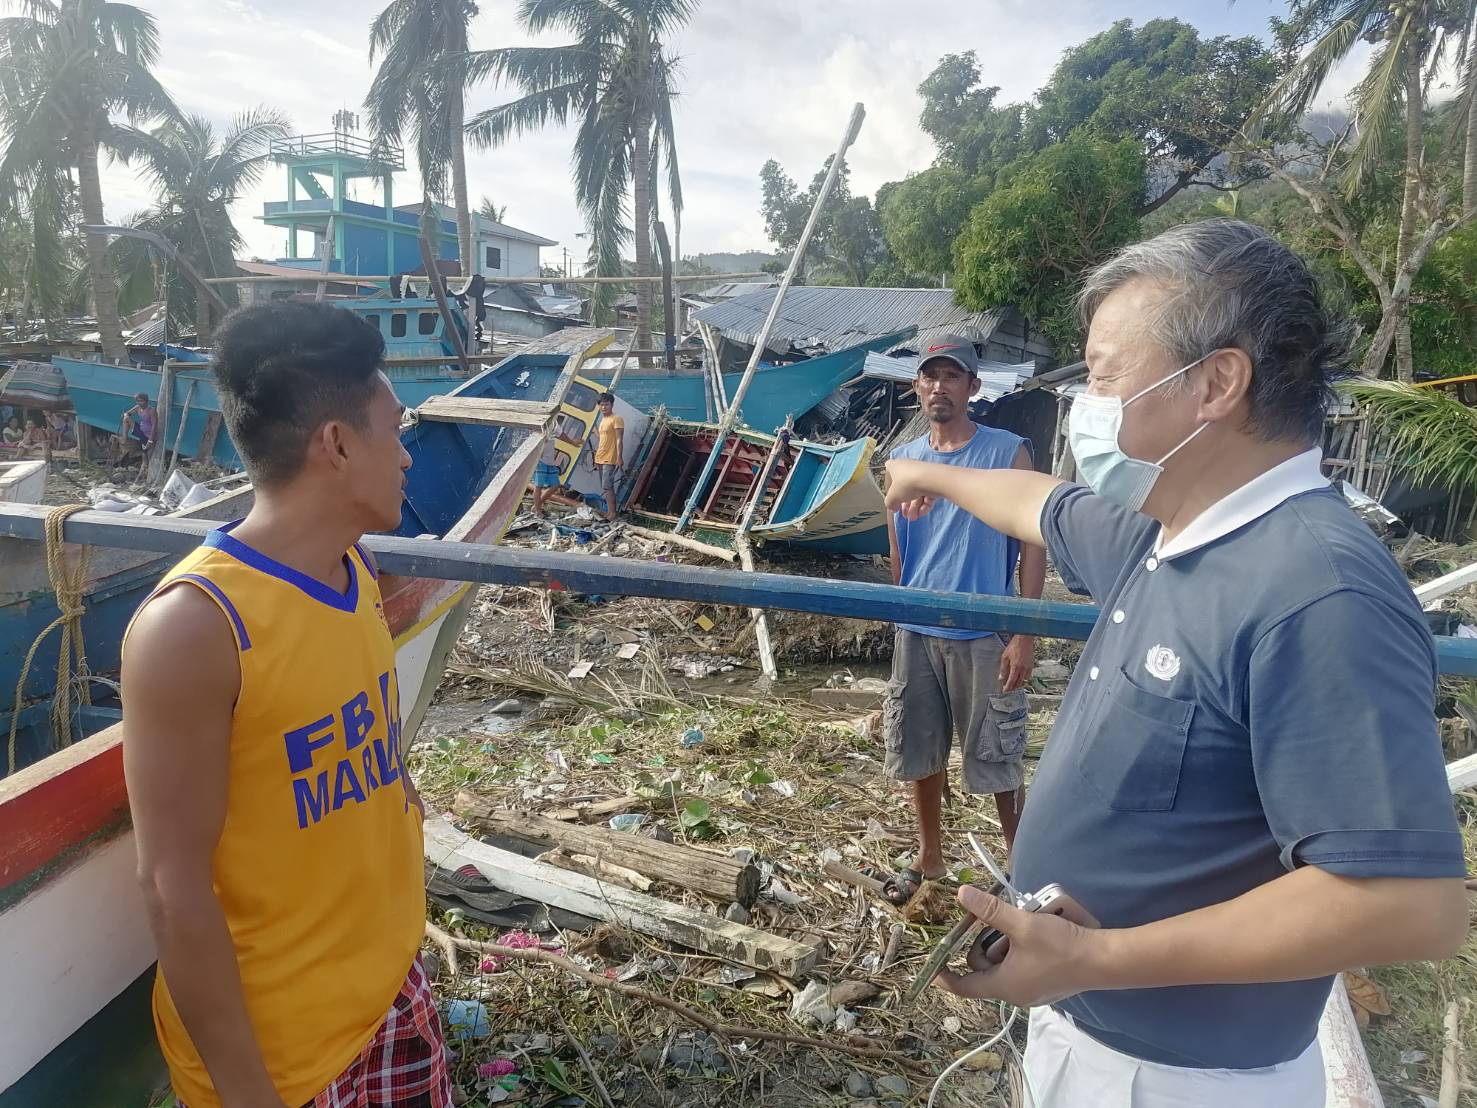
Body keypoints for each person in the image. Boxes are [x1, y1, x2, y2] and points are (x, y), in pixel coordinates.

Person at [885, 220, 1468, 1107]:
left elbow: (1407, 906)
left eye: (1104, 373)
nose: (1087, 400)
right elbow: (1034, 500)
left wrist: (1096, 959)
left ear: (1214, 383)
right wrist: (919, 476)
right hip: (1083, 1036)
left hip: (1183, 1080)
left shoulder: (1316, 588)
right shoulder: (1170, 538)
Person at [121, 302, 450, 1108]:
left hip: (388, 992)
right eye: (394, 430)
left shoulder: (354, 570)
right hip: (286, 1061)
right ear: (335, 445)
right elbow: (172, 887)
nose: (406, 456)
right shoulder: (197, 626)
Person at [881, 333, 1045, 905]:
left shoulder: (1007, 452)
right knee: (917, 750)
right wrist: (901, 612)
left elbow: (1032, 544)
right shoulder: (903, 463)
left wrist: (1023, 631)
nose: (938, 386)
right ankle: (930, 859)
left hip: (985, 629)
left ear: (973, 388)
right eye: (930, 376)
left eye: (952, 377)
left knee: (998, 754)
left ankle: (1021, 867)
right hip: (919, 627)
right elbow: (899, 550)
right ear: (915, 386)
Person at [593, 391, 624, 522]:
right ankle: (609, 511)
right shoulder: (603, 420)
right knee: (605, 486)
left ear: (612, 405)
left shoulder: (616, 419)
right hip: (600, 457)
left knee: (608, 486)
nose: (604, 407)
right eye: (601, 405)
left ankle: (613, 513)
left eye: (606, 404)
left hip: (610, 458)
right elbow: (602, 438)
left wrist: (619, 457)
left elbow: (619, 440)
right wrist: (594, 430)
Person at [531, 434, 561, 517]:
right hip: (540, 461)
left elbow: (561, 434)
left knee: (555, 485)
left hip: (550, 461)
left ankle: (536, 506)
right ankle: (538, 511)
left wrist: (572, 442)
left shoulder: (554, 425)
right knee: (538, 486)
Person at [121, 392, 157, 457]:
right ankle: (124, 439)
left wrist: (150, 440)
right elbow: (128, 413)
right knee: (126, 418)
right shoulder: (138, 407)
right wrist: (125, 414)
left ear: (146, 401)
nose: (139, 403)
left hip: (147, 435)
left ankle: (145, 464)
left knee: (145, 452)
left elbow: (154, 425)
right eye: (137, 401)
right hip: (140, 430)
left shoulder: (151, 410)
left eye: (141, 401)